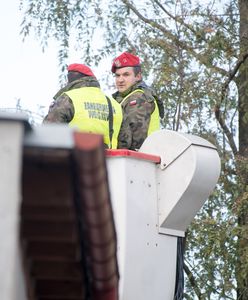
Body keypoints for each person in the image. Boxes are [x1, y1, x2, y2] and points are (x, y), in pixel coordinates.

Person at [43, 63, 122, 149]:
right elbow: (125, 141)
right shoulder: (115, 104)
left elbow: (48, 133)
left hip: (75, 159)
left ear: (70, 80)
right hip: (108, 160)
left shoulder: (68, 98)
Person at [111, 51, 164, 150]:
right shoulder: (123, 98)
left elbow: (133, 142)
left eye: (126, 75)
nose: (120, 80)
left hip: (136, 160)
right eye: (117, 75)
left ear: (138, 76)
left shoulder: (139, 98)